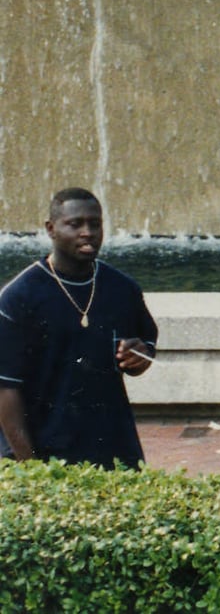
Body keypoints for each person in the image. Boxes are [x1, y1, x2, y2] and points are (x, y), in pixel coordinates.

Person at [0, 189, 157, 468]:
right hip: (41, 445)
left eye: (95, 224)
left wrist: (138, 357)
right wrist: (31, 468)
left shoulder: (123, 289)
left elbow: (144, 350)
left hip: (112, 445)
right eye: (75, 224)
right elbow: (6, 389)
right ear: (51, 229)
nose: (88, 232)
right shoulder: (18, 297)